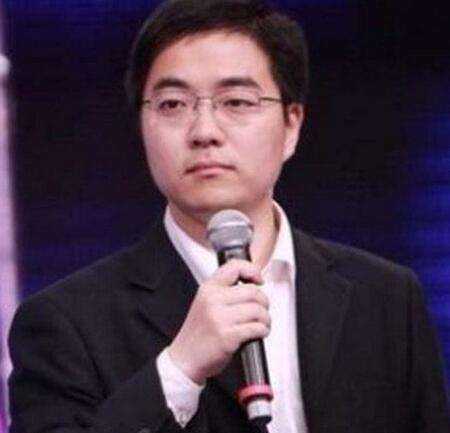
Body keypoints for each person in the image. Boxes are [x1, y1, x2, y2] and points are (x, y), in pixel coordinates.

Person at [8, 0, 449, 432]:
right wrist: (179, 370)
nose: (204, 132)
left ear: (291, 125)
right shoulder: (64, 323)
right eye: (173, 105)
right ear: (141, 125)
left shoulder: (386, 298)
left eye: (236, 101)